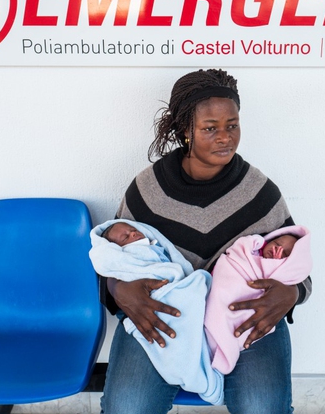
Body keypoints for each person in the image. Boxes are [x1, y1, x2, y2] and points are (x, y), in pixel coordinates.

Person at [99, 68, 312, 414]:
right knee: (127, 408)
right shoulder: (148, 190)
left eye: (232, 125)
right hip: (165, 316)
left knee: (263, 408)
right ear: (185, 131)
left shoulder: (259, 192)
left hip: (240, 320)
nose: (225, 137)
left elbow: (298, 266)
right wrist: (118, 290)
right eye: (210, 128)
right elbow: (114, 260)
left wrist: (293, 293)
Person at [89, 219, 224, 405]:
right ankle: (196, 374)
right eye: (125, 237)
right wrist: (118, 289)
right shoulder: (129, 254)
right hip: (150, 300)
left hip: (219, 294)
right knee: (128, 405)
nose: (133, 235)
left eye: (133, 230)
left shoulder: (155, 246)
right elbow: (110, 267)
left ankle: (201, 366)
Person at [204, 226, 312, 375]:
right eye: (276, 243)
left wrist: (292, 292)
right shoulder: (249, 251)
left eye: (285, 253)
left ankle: (220, 343)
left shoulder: (264, 203)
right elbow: (236, 257)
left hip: (257, 312)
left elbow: (302, 276)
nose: (277, 250)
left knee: (258, 398)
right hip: (200, 290)